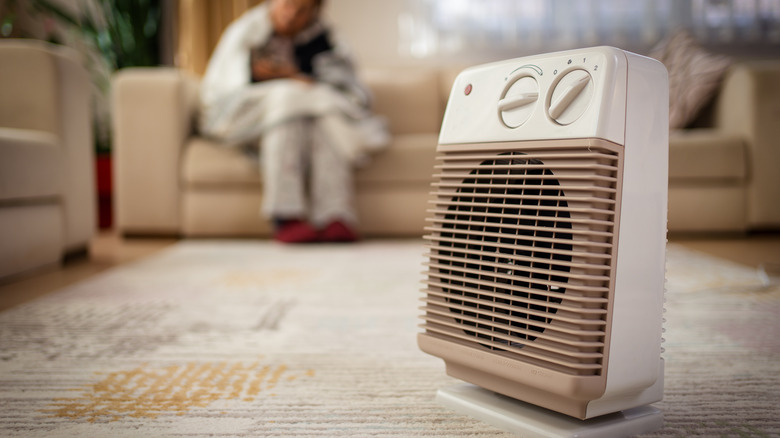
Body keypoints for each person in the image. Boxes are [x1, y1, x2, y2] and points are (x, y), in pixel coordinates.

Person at [199, 0, 388, 243]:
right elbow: (223, 92)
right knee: (288, 101)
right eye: (286, 5)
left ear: (315, 12)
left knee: (321, 114)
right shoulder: (245, 34)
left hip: (312, 117)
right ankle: (286, 214)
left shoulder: (327, 39)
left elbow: (347, 90)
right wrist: (274, 79)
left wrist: (296, 79)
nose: (291, 16)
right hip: (255, 119)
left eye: (301, 11)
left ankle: (335, 215)